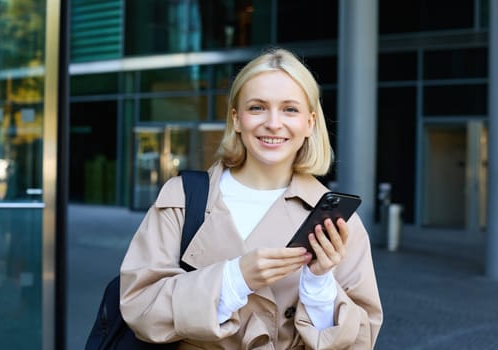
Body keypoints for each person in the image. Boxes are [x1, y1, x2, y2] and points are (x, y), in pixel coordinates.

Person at [120, 47, 383, 349]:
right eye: (257, 107)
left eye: (290, 109)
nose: (273, 123)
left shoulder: (338, 223)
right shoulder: (182, 197)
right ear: (236, 119)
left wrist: (320, 283)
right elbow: (139, 306)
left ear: (310, 123)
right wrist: (235, 278)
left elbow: (362, 339)